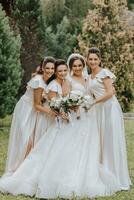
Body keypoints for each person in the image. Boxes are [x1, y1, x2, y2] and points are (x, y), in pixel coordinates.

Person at [0, 58, 120, 199]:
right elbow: (64, 98)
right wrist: (71, 105)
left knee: (86, 147)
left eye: (80, 65)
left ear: (83, 65)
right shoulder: (67, 80)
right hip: (73, 116)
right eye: (74, 66)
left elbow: (94, 91)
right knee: (64, 146)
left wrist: (106, 92)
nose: (77, 68)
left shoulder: (87, 77)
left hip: (88, 116)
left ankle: (83, 172)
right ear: (70, 67)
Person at [87, 47, 131, 190]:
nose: (93, 61)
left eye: (95, 59)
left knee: (111, 139)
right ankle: (104, 172)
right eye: (90, 59)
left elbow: (110, 93)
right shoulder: (89, 77)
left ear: (99, 60)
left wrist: (94, 102)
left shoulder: (104, 73)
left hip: (109, 108)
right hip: (99, 110)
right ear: (87, 60)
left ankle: (116, 174)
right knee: (101, 140)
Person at [5, 56, 57, 175]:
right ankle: (18, 169)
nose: (49, 71)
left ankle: (24, 169)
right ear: (42, 68)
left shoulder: (48, 81)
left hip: (35, 112)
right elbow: (36, 105)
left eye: (52, 68)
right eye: (47, 68)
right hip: (26, 110)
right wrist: (50, 112)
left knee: (32, 141)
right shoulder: (38, 81)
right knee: (26, 141)